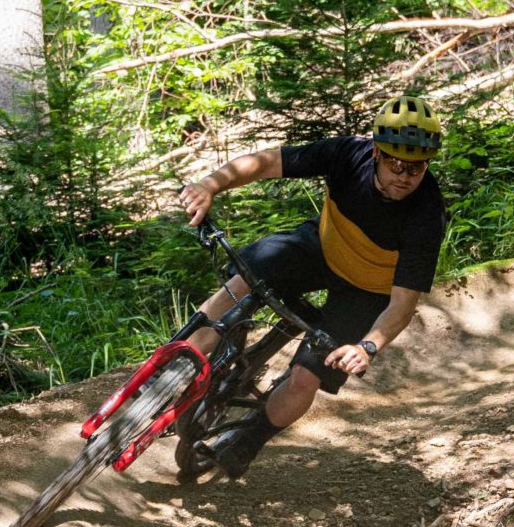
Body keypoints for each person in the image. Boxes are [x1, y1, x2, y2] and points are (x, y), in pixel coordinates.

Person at [176, 96, 448, 479]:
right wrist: (210, 184)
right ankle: (176, 362)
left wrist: (367, 346)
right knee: (244, 279)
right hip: (322, 248)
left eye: (416, 167)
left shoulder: (426, 216)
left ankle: (249, 439)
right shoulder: (346, 154)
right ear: (375, 152)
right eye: (395, 163)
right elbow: (267, 162)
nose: (404, 175)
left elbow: (402, 305)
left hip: (367, 290)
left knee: (307, 377)